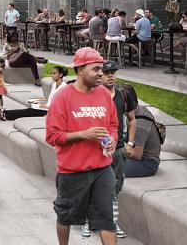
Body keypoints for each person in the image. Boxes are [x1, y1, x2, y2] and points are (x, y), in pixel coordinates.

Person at [46, 47, 119, 245]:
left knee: (107, 221)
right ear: (80, 70)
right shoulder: (63, 97)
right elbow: (52, 136)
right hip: (72, 171)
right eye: (96, 69)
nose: (101, 74)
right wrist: (82, 135)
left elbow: (113, 125)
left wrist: (112, 139)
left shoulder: (104, 94)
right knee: (65, 216)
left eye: (101, 69)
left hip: (103, 169)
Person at [82, 60, 137, 239]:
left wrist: (130, 143)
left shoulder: (123, 94)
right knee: (91, 185)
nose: (110, 75)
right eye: (106, 72)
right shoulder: (91, 95)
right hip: (95, 150)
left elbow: (131, 120)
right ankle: (88, 222)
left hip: (118, 149)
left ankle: (112, 223)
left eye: (113, 72)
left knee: (115, 187)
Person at [125, 104, 162, 178]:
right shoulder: (138, 110)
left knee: (109, 168)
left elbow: (136, 155)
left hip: (146, 163)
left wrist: (115, 154)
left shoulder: (139, 125)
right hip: (141, 157)